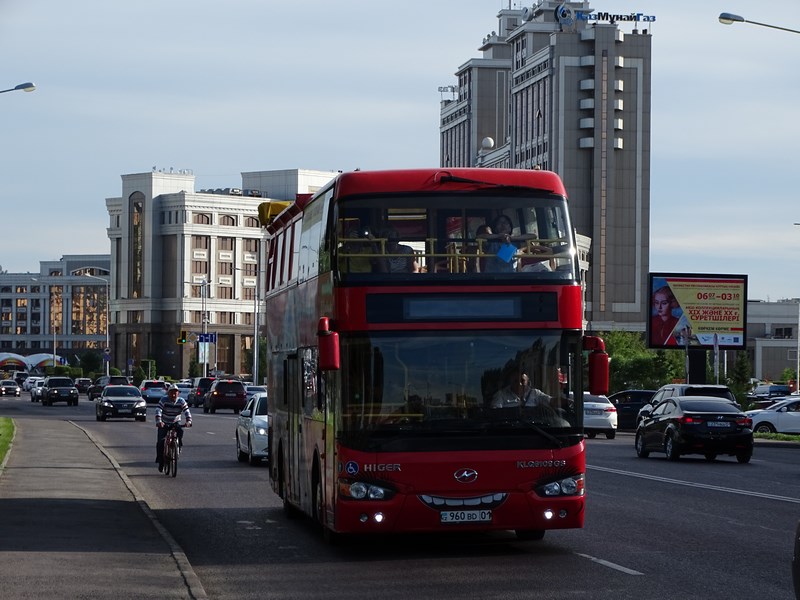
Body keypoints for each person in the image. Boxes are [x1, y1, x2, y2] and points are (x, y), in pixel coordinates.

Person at [155, 383, 192, 472]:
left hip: (176, 422)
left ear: (178, 393)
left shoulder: (181, 401)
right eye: (171, 392)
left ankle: (178, 447)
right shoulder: (164, 400)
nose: (173, 394)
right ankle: (161, 461)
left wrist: (189, 421)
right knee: (161, 442)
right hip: (164, 423)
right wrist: (159, 421)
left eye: (175, 392)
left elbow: (187, 411)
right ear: (168, 393)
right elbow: (158, 410)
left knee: (180, 432)